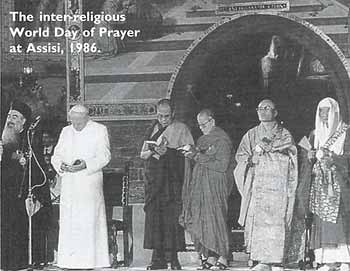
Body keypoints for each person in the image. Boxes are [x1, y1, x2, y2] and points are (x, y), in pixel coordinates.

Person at [234, 99, 298, 271]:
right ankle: (262, 259)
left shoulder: (284, 134)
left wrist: (272, 154)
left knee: (276, 223)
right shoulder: (251, 134)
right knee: (259, 222)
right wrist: (250, 160)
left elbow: (292, 154)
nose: (262, 111)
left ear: (275, 112)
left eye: (267, 108)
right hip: (259, 187)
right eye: (260, 108)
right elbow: (240, 156)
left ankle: (276, 260)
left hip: (278, 187)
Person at [51, 104, 111, 269]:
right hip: (70, 185)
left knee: (88, 222)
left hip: (88, 184)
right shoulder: (66, 131)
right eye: (73, 120)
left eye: (80, 120)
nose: (76, 124)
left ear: (87, 117)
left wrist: (85, 165)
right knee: (70, 223)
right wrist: (61, 165)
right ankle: (69, 262)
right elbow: (56, 155)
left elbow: (105, 156)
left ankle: (90, 261)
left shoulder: (99, 130)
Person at [140, 98, 194, 270]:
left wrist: (169, 152)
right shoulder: (152, 128)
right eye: (160, 116)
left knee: (171, 220)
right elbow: (142, 154)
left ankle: (174, 258)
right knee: (155, 219)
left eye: (167, 116)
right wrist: (154, 150)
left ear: (173, 114)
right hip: (155, 181)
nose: (163, 119)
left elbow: (189, 152)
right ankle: (157, 258)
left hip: (172, 181)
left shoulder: (181, 129)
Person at [180, 109, 235, 270]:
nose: (202, 127)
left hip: (216, 185)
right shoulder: (203, 139)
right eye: (199, 125)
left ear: (212, 121)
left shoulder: (222, 139)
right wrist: (190, 153)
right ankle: (211, 255)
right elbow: (200, 158)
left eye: (204, 124)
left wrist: (196, 156)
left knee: (216, 219)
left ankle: (223, 256)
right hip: (201, 185)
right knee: (203, 219)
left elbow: (221, 165)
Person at [1, 100, 52, 270]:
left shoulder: (30, 140)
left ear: (23, 121)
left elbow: (38, 172)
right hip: (3, 194)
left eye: (15, 117)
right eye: (9, 116)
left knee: (18, 230)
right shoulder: (3, 139)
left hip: (21, 195)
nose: (10, 120)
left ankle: (19, 263)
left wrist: (36, 196)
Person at [300, 97, 350, 271]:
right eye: (320, 110)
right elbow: (307, 161)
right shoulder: (315, 134)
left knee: (340, 221)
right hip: (320, 184)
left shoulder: (346, 132)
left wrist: (334, 159)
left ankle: (344, 259)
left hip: (339, 184)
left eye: (326, 110)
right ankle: (327, 260)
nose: (323, 114)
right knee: (321, 221)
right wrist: (309, 158)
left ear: (334, 112)